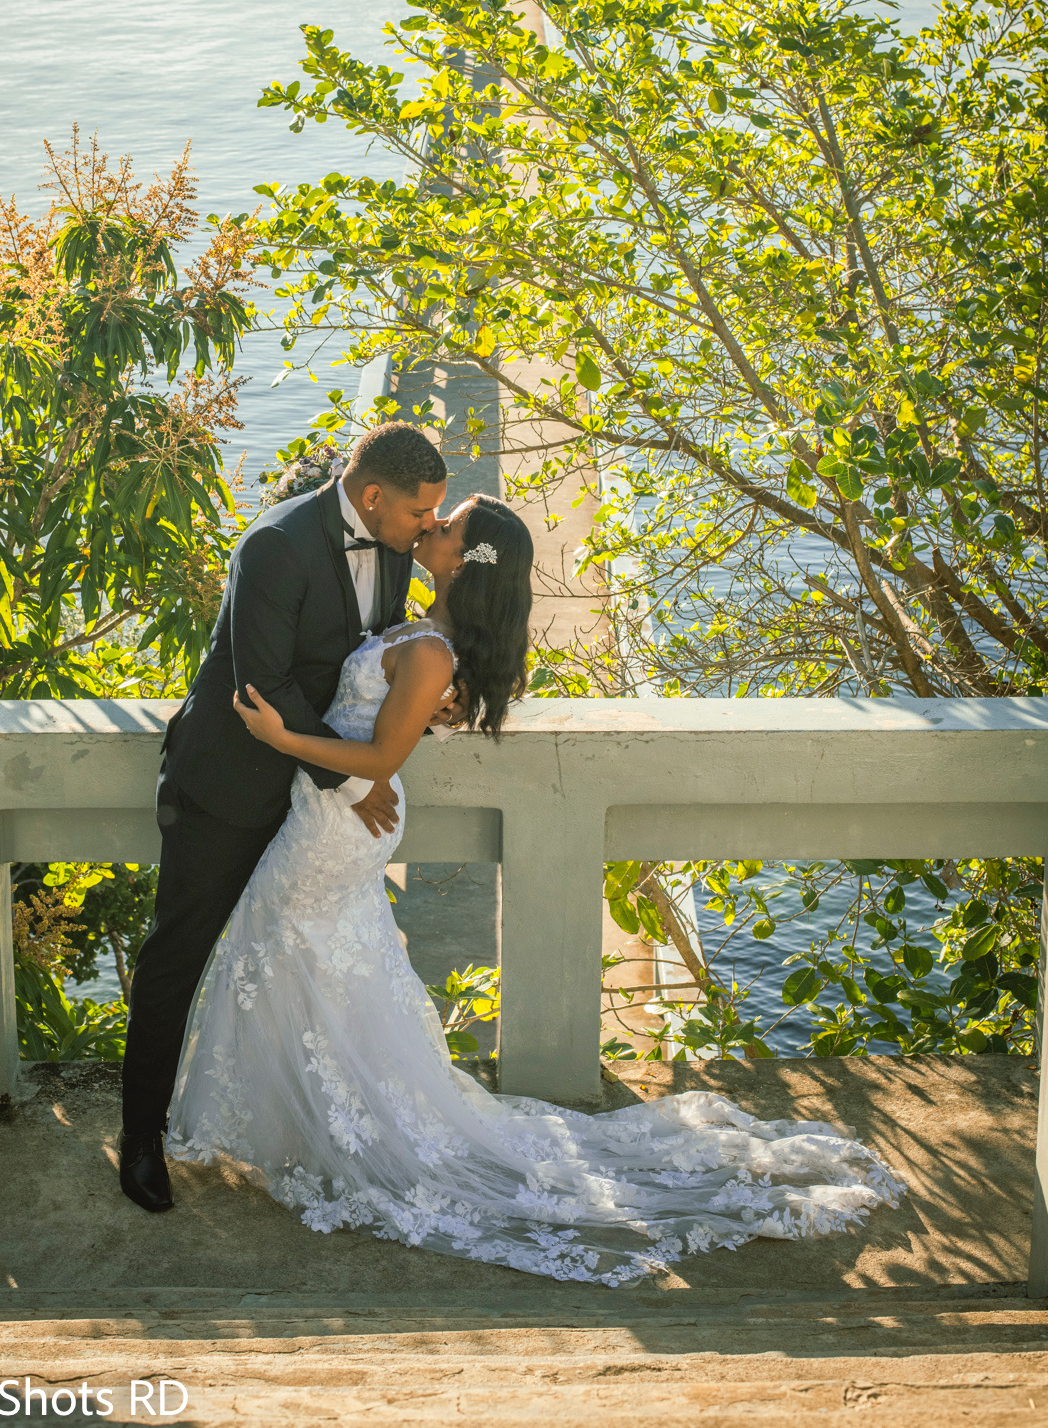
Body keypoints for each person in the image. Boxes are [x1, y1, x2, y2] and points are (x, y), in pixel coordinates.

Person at [163, 492, 903, 1287]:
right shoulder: (425, 636)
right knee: (311, 966)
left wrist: (280, 736)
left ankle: (340, 1132)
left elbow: (378, 760)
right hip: (329, 817)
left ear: (464, 560)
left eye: (446, 526)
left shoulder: (429, 652)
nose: (432, 525)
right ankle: (313, 1128)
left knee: (296, 952)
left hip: (338, 820)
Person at [119, 421, 449, 1212]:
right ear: (373, 497)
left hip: (308, 803)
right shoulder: (275, 544)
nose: (427, 528)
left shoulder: (394, 539)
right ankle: (139, 1137)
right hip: (229, 786)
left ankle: (295, 1131)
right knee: (179, 956)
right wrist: (352, 781)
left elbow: (367, 654)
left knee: (299, 968)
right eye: (418, 515)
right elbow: (263, 685)